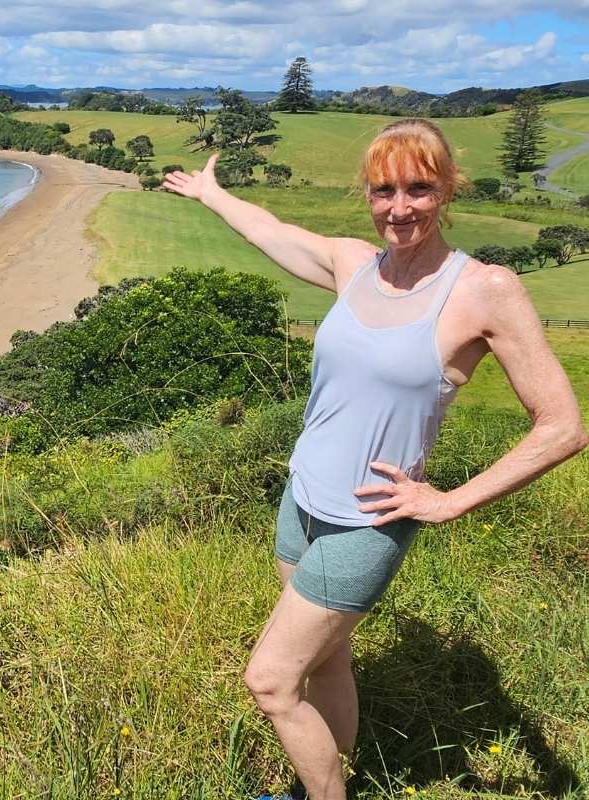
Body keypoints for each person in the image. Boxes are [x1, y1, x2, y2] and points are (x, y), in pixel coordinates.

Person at [161, 118, 587, 800]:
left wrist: (447, 502)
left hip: (368, 524)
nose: (399, 207)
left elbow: (563, 426)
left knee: (271, 681)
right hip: (301, 503)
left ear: (447, 189)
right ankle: (332, 774)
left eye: (418, 188)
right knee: (329, 660)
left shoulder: (484, 290)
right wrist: (212, 194)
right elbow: (269, 229)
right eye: (384, 189)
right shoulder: (354, 264)